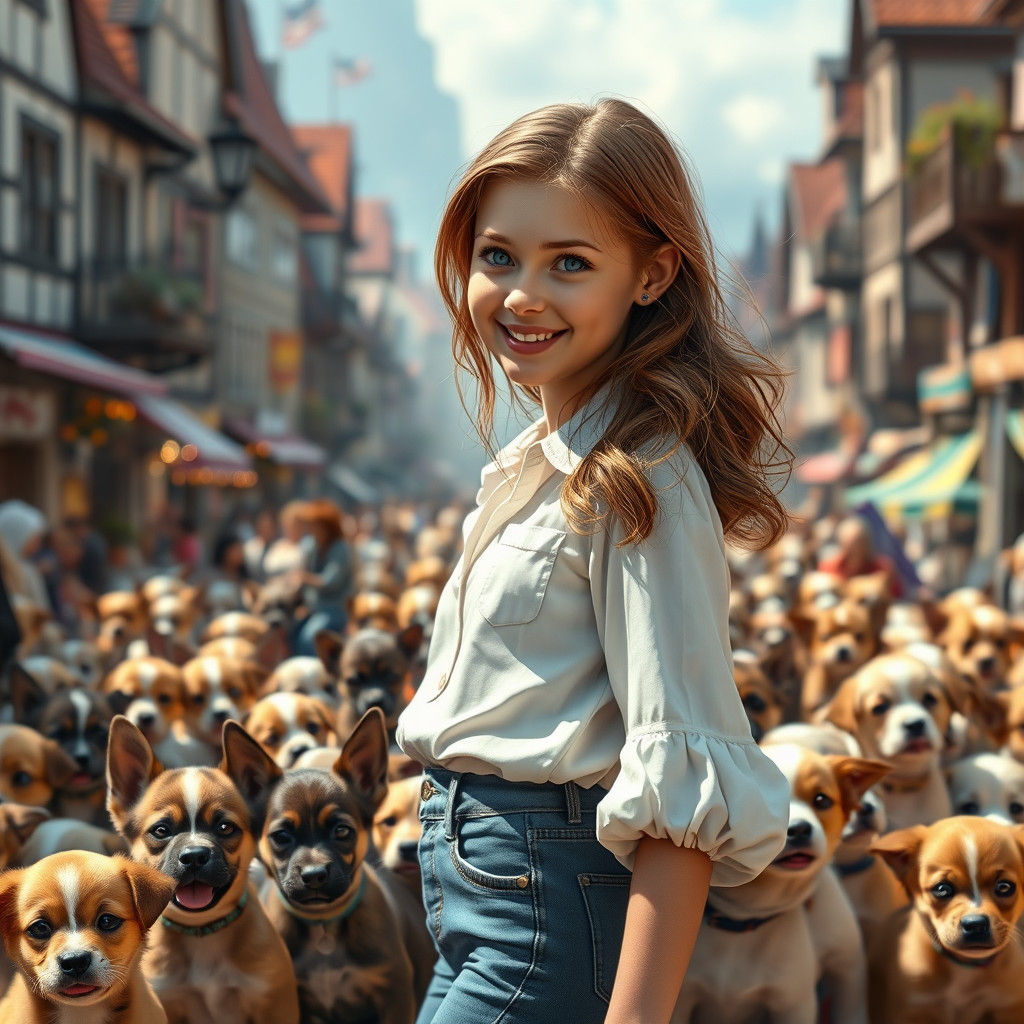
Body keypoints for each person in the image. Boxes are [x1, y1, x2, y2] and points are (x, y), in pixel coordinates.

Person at [394, 98, 793, 1024]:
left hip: (542, 910)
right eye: (498, 256)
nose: (520, 295)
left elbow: (684, 778)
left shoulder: (642, 477)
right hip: (479, 901)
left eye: (568, 263)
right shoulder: (541, 463)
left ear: (653, 274)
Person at [288, 498, 353, 656]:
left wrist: (305, 578)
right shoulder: (311, 546)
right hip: (313, 608)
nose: (312, 530)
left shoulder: (340, 548)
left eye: (316, 526)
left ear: (327, 527)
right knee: (290, 632)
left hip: (335, 609)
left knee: (308, 638)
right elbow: (301, 575)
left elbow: (330, 581)